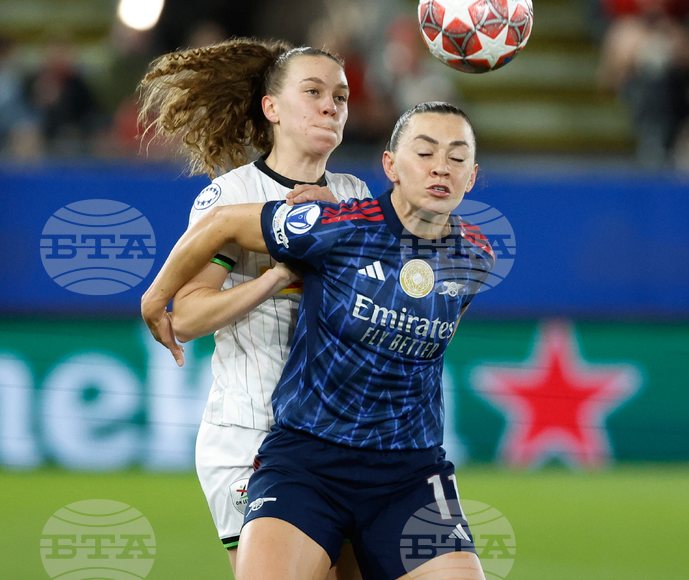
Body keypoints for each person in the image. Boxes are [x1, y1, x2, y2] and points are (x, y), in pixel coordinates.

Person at [142, 102, 495, 580]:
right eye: (425, 151)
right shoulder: (336, 225)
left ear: (471, 177)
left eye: (457, 158)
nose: (440, 167)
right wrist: (156, 297)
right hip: (307, 465)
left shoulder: (475, 256)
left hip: (409, 474)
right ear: (390, 165)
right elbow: (221, 222)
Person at [137, 39, 371, 578]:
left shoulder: (354, 193)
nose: (330, 105)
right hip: (251, 431)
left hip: (335, 432)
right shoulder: (232, 195)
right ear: (272, 108)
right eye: (312, 92)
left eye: (340, 95)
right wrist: (276, 279)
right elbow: (187, 317)